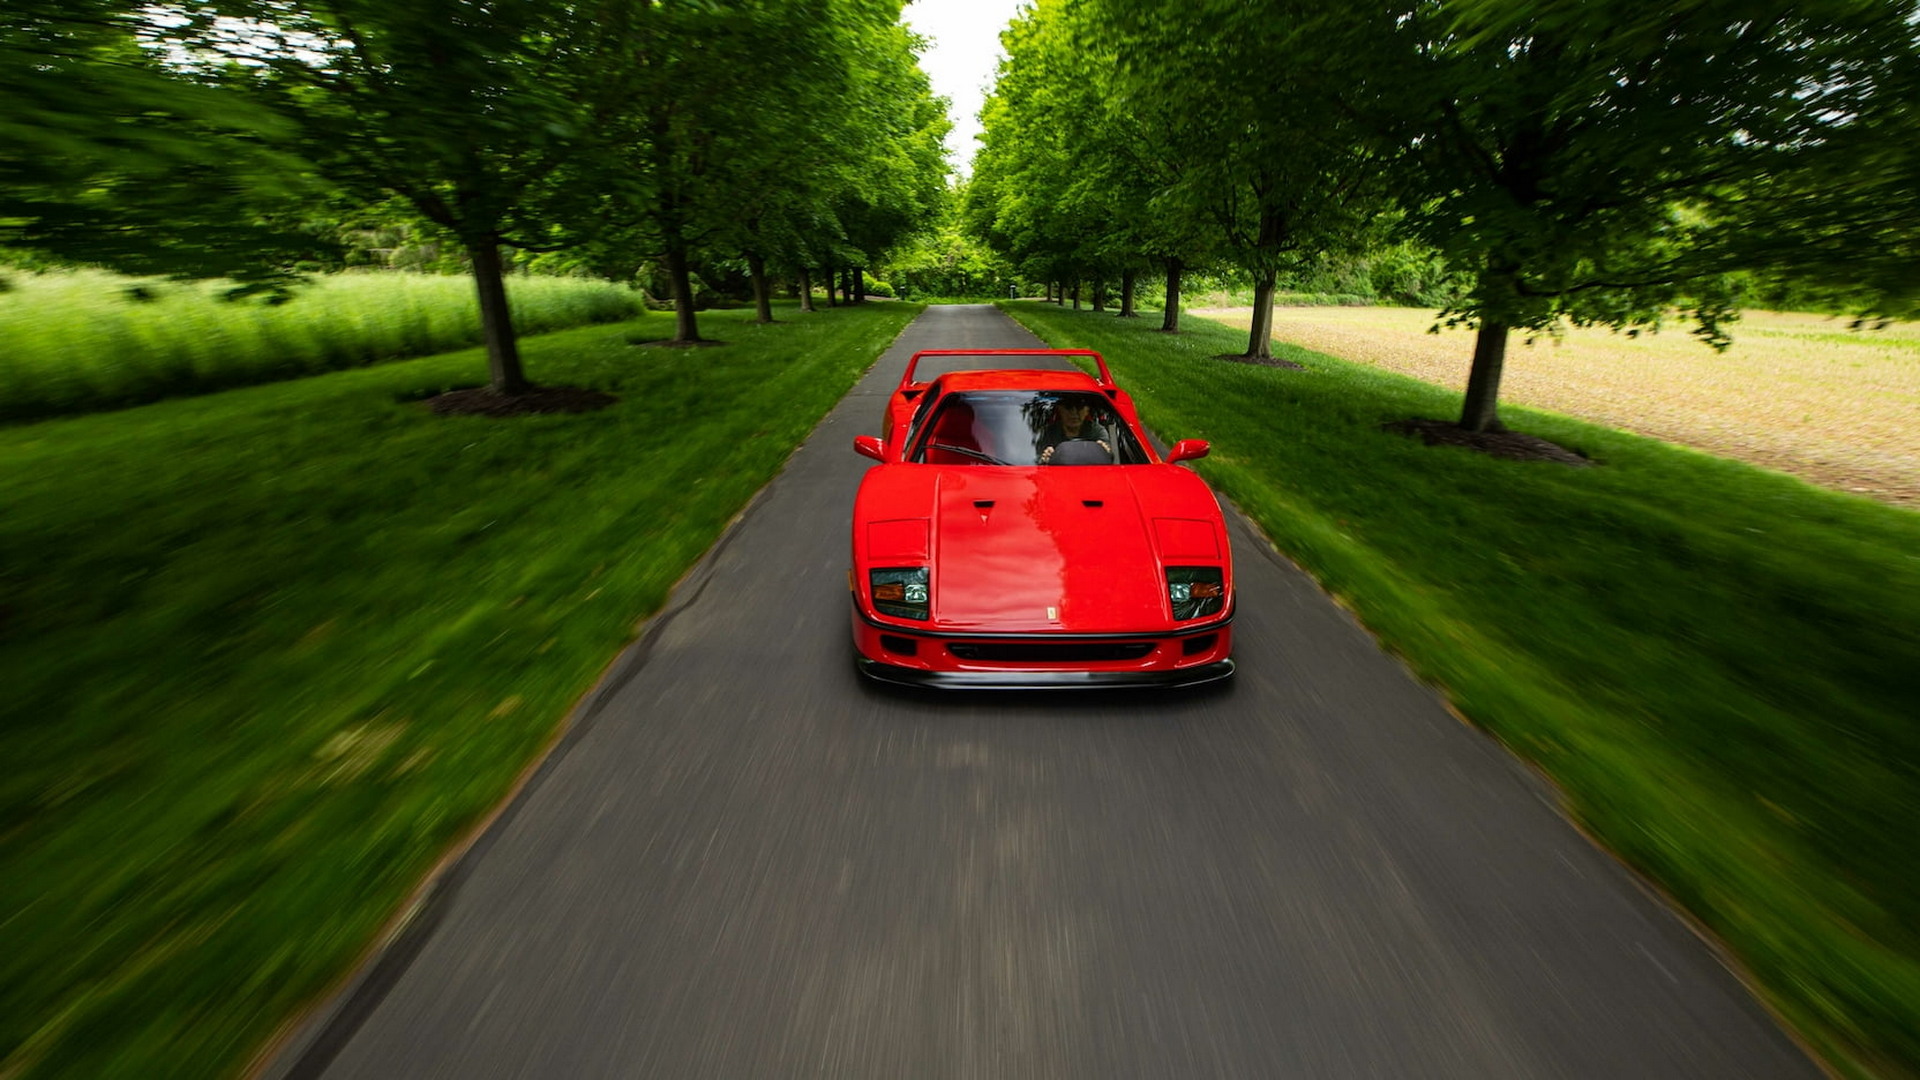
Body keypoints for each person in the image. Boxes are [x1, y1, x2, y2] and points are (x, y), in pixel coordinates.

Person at [1037, 398, 1111, 463]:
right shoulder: (1048, 433)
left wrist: (1105, 452)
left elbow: (1110, 459)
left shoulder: (1097, 431)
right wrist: (1045, 457)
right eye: (1068, 407)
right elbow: (1037, 460)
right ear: (1059, 409)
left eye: (1079, 407)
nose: (1074, 413)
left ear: (1087, 410)